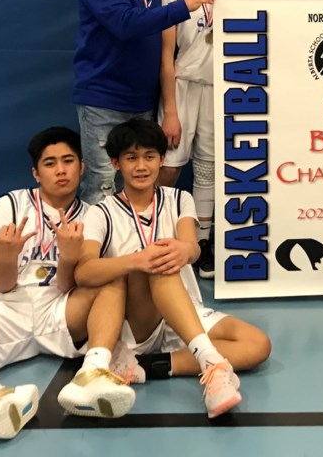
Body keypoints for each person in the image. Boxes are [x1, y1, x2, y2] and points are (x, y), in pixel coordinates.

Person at [0, 127, 135, 439]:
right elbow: (2, 284)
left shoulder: (93, 215)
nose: (60, 170)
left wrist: (69, 259)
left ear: (82, 167)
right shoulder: (10, 205)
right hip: (7, 310)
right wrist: (7, 256)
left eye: (68, 161)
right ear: (36, 173)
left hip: (61, 311)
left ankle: (93, 375)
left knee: (112, 279)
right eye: (50, 163)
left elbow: (68, 286)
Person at [73, 118, 271, 418]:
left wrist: (185, 249)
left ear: (162, 159)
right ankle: (212, 367)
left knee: (258, 344)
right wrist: (135, 260)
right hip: (140, 319)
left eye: (150, 156)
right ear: (115, 163)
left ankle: (144, 367)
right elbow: (83, 271)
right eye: (131, 158)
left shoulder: (180, 199)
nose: (141, 166)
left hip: (184, 307)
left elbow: (192, 247)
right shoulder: (101, 212)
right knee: (156, 261)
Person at [72, 0, 216, 205]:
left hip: (142, 101)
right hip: (104, 99)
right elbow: (124, 24)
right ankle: (94, 256)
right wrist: (184, 6)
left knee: (138, 190)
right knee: (102, 188)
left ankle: (134, 252)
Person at [158, 0, 238, 279]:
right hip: (183, 85)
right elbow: (166, 54)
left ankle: (203, 242)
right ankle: (156, 235)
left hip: (219, 86)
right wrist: (170, 110)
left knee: (208, 168)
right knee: (170, 166)